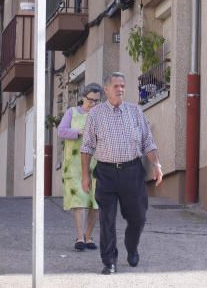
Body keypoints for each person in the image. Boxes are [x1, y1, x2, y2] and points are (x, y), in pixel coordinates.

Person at [81, 72, 163, 275]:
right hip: (106, 173)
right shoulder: (96, 114)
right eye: (116, 86)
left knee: (138, 217)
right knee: (107, 219)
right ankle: (109, 261)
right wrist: (85, 175)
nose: (120, 89)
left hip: (133, 172)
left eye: (123, 86)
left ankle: (132, 247)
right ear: (106, 89)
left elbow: (148, 143)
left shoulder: (135, 112)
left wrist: (157, 164)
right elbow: (87, 147)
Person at [57, 82, 103, 251]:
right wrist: (78, 132)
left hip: (97, 163)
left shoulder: (101, 115)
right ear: (83, 97)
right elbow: (61, 131)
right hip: (74, 164)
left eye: (97, 101)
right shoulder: (72, 112)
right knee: (79, 201)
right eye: (90, 100)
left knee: (95, 202)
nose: (93, 103)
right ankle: (79, 237)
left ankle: (89, 237)